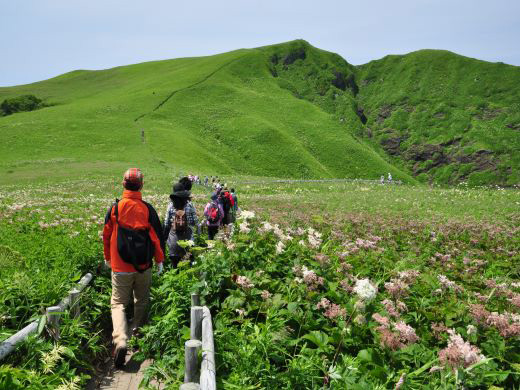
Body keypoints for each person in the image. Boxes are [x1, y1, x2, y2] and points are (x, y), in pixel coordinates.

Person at [103, 168, 164, 369]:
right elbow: (156, 236)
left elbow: (106, 234)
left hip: (120, 265)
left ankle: (120, 339)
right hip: (144, 265)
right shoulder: (147, 209)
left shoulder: (115, 208)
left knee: (118, 303)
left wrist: (108, 258)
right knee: (141, 300)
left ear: (123, 184)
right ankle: (137, 333)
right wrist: (160, 260)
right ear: (142, 185)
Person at [163, 181, 198, 268]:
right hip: (188, 241)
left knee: (175, 268)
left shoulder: (170, 206)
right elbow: (195, 222)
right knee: (187, 267)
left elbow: (166, 224)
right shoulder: (190, 205)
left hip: (174, 242)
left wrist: (164, 239)